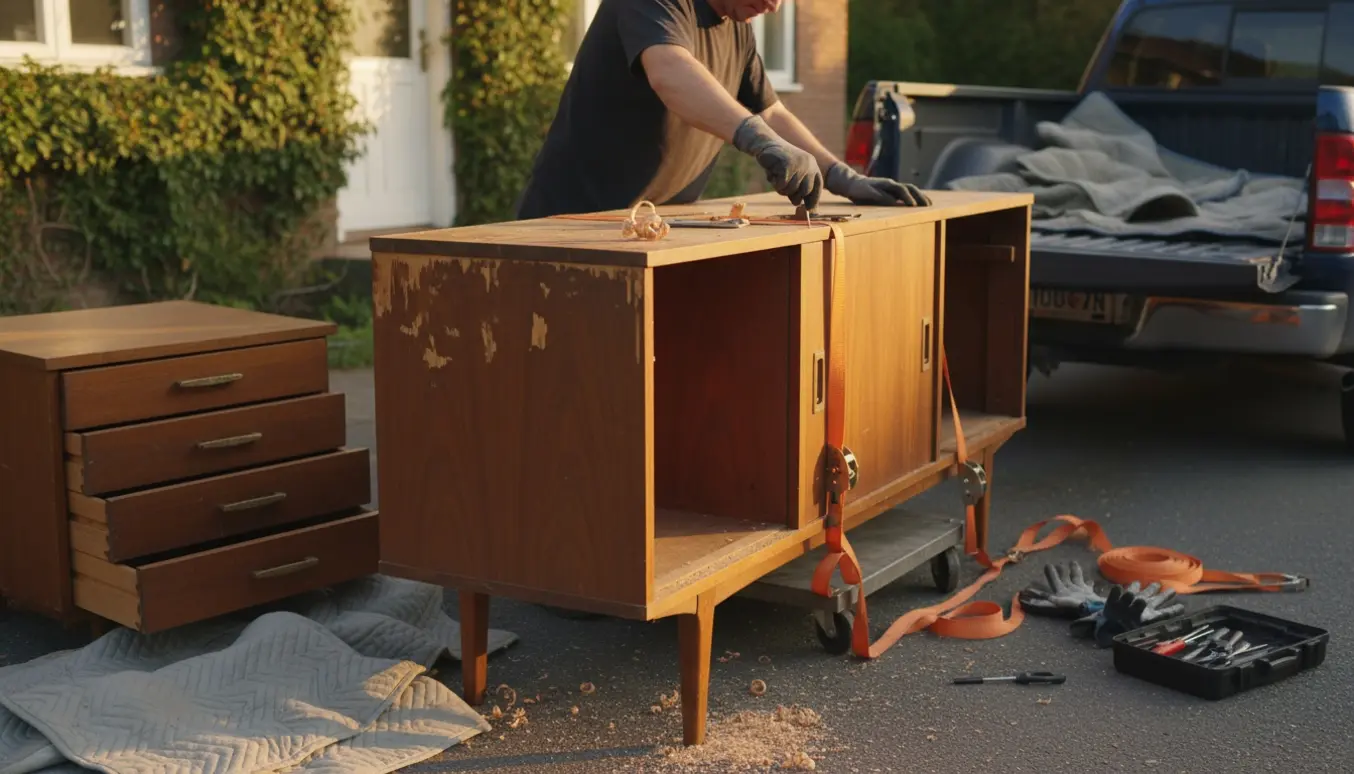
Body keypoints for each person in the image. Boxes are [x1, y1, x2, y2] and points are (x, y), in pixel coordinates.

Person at [514, 0, 931, 220]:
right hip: (566, 230)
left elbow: (771, 112)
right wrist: (755, 139)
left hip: (643, 232)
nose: (774, 5)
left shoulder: (738, 30)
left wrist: (842, 177)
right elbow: (669, 71)